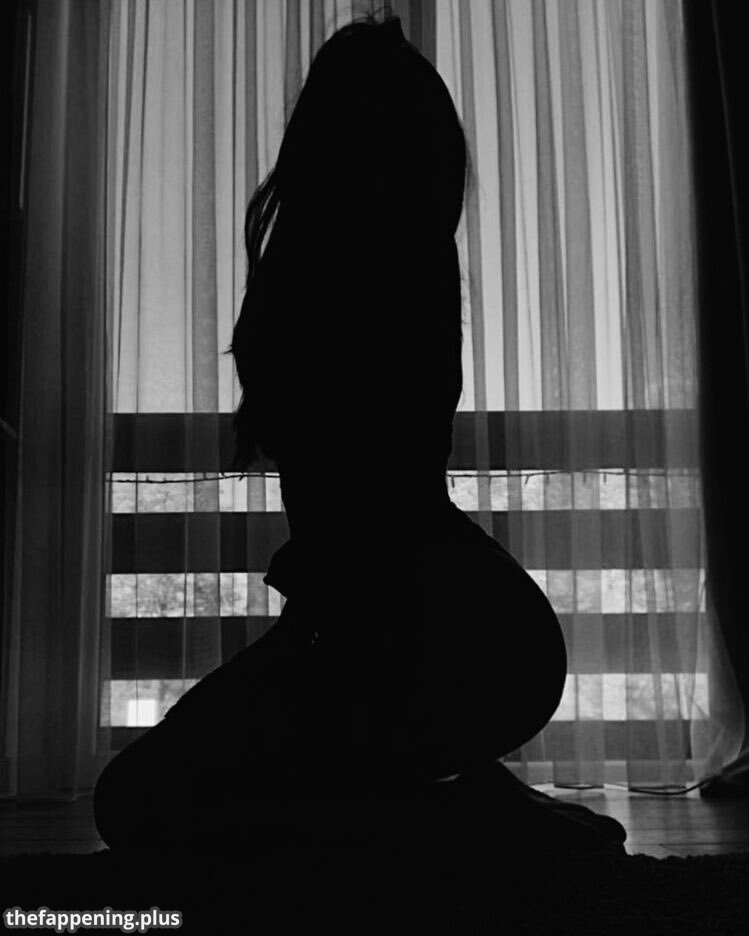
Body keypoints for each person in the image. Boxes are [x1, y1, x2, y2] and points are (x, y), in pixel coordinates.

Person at [94, 15, 626, 856]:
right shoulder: (394, 272)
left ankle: (435, 808)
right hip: (468, 629)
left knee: (140, 804)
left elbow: (364, 525)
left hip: (429, 629)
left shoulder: (345, 281)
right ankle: (446, 804)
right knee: (153, 800)